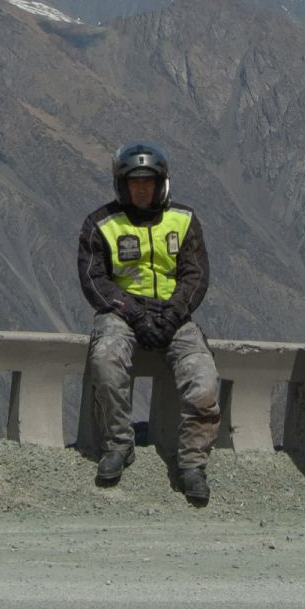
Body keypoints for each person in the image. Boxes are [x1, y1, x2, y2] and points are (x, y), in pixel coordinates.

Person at [77, 142, 221, 505]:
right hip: (121, 314)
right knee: (105, 360)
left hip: (175, 315)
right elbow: (94, 279)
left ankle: (193, 464)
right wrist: (133, 313)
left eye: (148, 182)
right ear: (121, 185)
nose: (142, 189)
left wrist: (172, 315)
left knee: (204, 378)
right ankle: (117, 445)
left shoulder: (184, 220)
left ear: (162, 183)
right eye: (134, 182)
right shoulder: (100, 224)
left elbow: (196, 274)